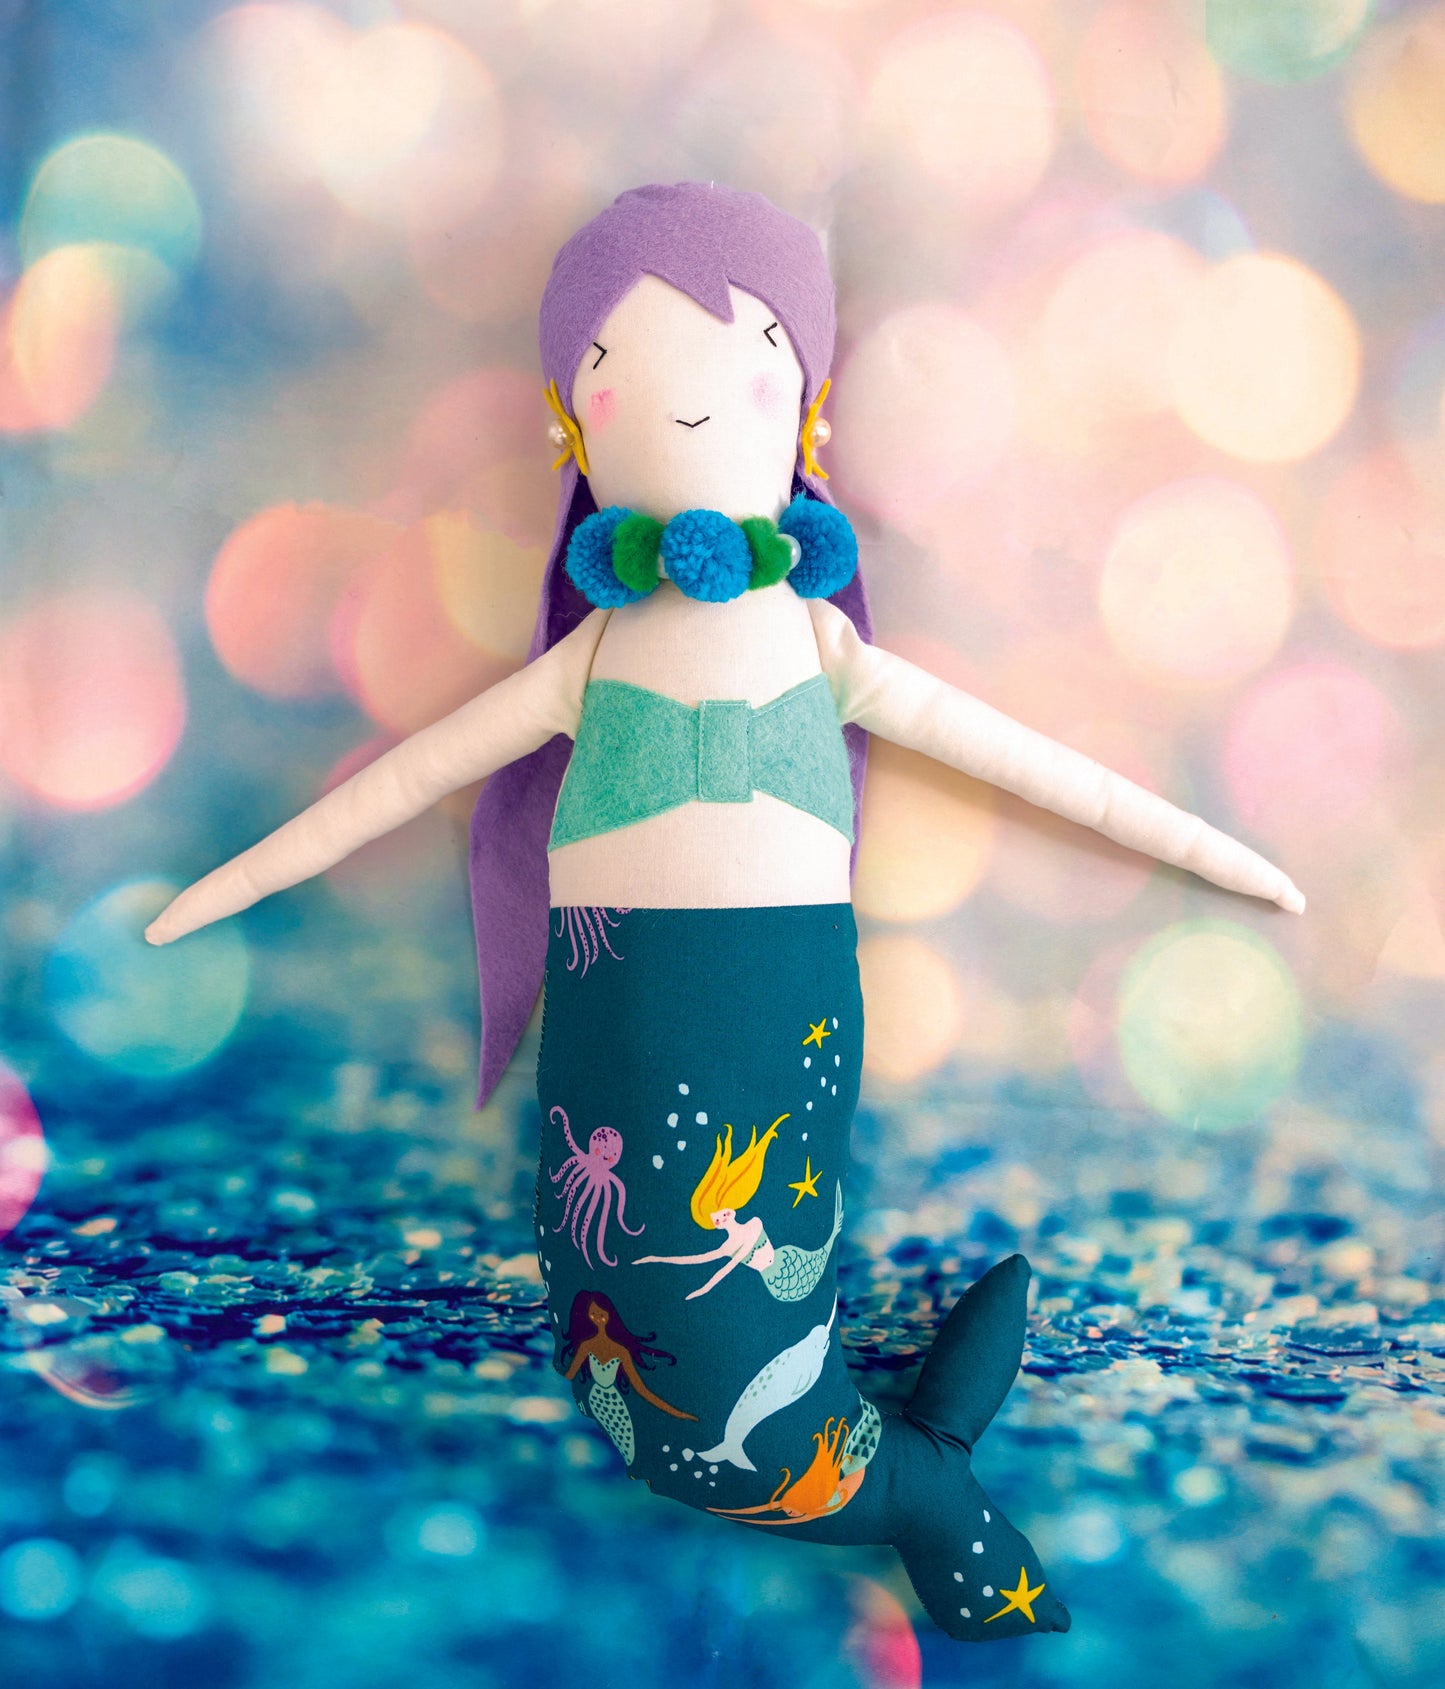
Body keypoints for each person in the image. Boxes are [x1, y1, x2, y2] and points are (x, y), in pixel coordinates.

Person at [146, 182, 1302, 1642]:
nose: (682, 405)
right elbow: (398, 781)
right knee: (636, 1307)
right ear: (573, 425)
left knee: (719, 1269)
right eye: (611, 371)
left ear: (803, 414)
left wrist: (1212, 851)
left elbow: (1037, 762)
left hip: (773, 974)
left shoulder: (807, 643)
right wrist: (232, 883)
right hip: (621, 981)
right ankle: (921, 1483)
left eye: (747, 361)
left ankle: (918, 1485)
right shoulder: (600, 656)